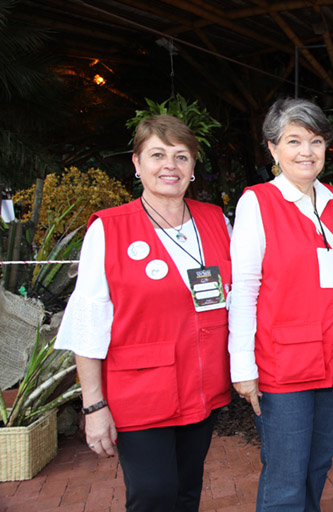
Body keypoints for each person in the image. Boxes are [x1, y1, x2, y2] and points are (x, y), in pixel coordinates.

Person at [56, 115, 232, 511]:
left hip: (202, 386)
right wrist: (94, 406)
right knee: (153, 495)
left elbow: (236, 297)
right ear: (136, 164)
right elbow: (89, 323)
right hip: (139, 394)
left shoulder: (216, 220)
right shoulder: (109, 229)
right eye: (157, 155)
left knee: (187, 492)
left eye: (181, 156)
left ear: (192, 168)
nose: (170, 165)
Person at [228, 98, 333, 512]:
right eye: (293, 141)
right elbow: (243, 288)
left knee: (317, 465)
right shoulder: (258, 202)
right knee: (286, 474)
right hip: (281, 365)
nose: (305, 152)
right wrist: (242, 366)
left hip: (332, 359)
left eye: (315, 141)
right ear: (273, 149)